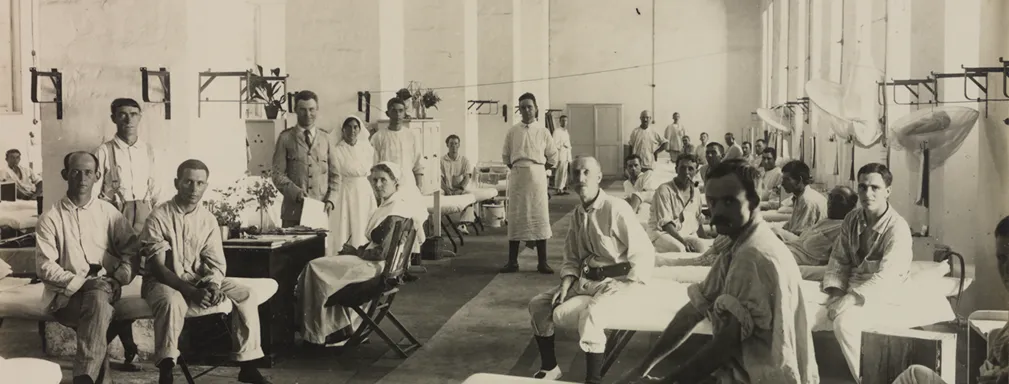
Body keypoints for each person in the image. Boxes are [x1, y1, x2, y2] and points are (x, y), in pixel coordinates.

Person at [615, 159, 818, 384]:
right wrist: (641, 368)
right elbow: (693, 310)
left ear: (754, 201)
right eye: (712, 202)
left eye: (729, 202)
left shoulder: (753, 255)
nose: (717, 211)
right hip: (743, 370)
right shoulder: (738, 242)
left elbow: (722, 347)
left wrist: (665, 383)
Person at [141, 159, 276, 384]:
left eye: (200, 183)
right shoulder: (159, 217)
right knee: (171, 302)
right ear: (177, 183)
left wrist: (212, 285)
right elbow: (159, 268)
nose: (194, 189)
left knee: (246, 294)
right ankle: (166, 371)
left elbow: (215, 263)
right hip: (161, 282)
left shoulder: (208, 220)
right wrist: (192, 292)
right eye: (188, 182)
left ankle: (248, 365)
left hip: (196, 279)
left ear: (206, 185)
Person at [527, 156, 655, 384]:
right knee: (539, 305)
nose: (580, 178)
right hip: (586, 282)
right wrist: (565, 285)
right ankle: (550, 368)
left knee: (592, 316)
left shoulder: (616, 208)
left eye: (586, 172)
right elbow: (572, 256)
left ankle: (593, 380)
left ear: (598, 177)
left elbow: (644, 252)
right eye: (576, 173)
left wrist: (629, 284)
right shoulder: (578, 214)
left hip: (617, 283)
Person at [35, 151, 140, 384]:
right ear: (65, 175)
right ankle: (93, 378)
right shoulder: (51, 218)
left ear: (97, 176)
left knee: (99, 299)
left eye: (88, 173)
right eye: (75, 172)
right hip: (66, 298)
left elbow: (131, 250)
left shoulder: (108, 213)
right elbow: (44, 266)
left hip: (107, 289)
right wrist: (85, 283)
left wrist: (118, 279)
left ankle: (85, 378)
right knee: (98, 302)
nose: (82, 178)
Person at [297, 162, 427, 347]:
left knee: (315, 267)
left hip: (376, 270)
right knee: (325, 267)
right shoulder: (392, 205)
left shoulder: (394, 209)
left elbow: (381, 252)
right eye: (374, 180)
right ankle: (337, 328)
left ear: (395, 182)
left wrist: (355, 251)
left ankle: (316, 333)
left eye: (383, 180)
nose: (378, 184)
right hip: (383, 267)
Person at [821, 162, 913, 383]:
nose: (867, 193)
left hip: (884, 292)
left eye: (875, 188)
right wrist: (835, 294)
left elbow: (888, 277)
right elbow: (839, 260)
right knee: (797, 297)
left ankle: (871, 380)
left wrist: (849, 299)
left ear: (888, 191)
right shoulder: (852, 219)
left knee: (843, 323)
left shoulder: (897, 228)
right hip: (853, 284)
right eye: (862, 187)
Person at [93, 99, 163, 366]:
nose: (128, 120)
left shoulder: (148, 150)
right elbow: (97, 192)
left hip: (145, 215)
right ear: (113, 119)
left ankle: (125, 347)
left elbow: (156, 190)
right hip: (115, 216)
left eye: (133, 115)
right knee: (119, 280)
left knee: (142, 280)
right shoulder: (104, 150)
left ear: (140, 117)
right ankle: (111, 348)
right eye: (122, 115)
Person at [664, 185, 859, 268]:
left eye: (838, 199)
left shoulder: (844, 230)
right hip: (788, 247)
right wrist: (777, 232)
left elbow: (842, 260)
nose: (831, 202)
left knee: (745, 236)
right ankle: (705, 256)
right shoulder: (828, 221)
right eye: (831, 197)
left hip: (790, 257)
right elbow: (799, 237)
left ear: (851, 206)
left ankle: (696, 261)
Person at [500, 92, 557, 274]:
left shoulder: (543, 131)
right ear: (519, 110)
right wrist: (519, 167)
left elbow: (553, 157)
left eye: (529, 107)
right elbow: (506, 156)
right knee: (516, 218)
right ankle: (512, 262)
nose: (526, 110)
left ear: (536, 109)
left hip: (537, 178)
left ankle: (542, 262)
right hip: (518, 176)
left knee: (539, 217)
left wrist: (538, 168)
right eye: (523, 107)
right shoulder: (512, 131)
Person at [271, 90, 338, 227]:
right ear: (295, 110)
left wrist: (331, 200)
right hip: (293, 212)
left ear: (317, 110)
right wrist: (296, 193)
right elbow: (277, 174)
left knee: (317, 249)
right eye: (302, 110)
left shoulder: (326, 139)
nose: (308, 114)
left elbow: (335, 176)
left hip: (320, 210)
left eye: (311, 109)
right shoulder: (285, 138)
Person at [327, 115, 377, 251]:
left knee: (363, 223)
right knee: (347, 224)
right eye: (348, 127)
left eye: (355, 127)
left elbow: (370, 169)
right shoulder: (337, 150)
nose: (352, 130)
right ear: (342, 130)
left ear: (359, 129)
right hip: (346, 191)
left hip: (364, 190)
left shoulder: (367, 149)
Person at [648, 154, 713, 253]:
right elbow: (666, 224)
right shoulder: (664, 190)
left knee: (702, 248)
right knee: (679, 249)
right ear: (676, 169)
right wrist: (683, 242)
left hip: (684, 233)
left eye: (690, 169)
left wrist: (703, 237)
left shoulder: (696, 192)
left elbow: (697, 218)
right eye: (682, 168)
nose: (686, 172)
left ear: (696, 172)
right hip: (662, 233)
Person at [371, 97, 426, 194]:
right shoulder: (378, 137)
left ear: (405, 112)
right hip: (387, 186)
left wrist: (419, 187)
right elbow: (373, 167)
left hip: (408, 184)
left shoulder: (411, 136)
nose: (397, 115)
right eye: (394, 111)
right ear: (387, 113)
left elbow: (418, 165)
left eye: (400, 111)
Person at [775, 160, 827, 236]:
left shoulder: (807, 201)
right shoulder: (800, 196)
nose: (782, 184)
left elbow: (799, 234)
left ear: (799, 180)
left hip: (806, 245)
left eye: (787, 180)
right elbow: (791, 225)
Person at [441, 134, 477, 234]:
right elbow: (439, 179)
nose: (454, 147)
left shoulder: (464, 160)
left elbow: (467, 177)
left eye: (456, 144)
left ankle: (462, 224)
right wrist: (447, 190)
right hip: (445, 189)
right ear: (447, 145)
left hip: (460, 189)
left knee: (470, 196)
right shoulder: (441, 160)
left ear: (459, 145)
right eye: (451, 144)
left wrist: (460, 189)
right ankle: (438, 226)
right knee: (437, 197)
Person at [552, 115, 573, 195]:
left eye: (566, 121)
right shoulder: (557, 131)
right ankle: (557, 188)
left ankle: (562, 188)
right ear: (559, 122)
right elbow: (554, 143)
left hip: (566, 154)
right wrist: (563, 145)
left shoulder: (566, 131)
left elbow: (568, 143)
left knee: (564, 173)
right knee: (560, 172)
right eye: (563, 120)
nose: (564, 122)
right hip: (561, 154)